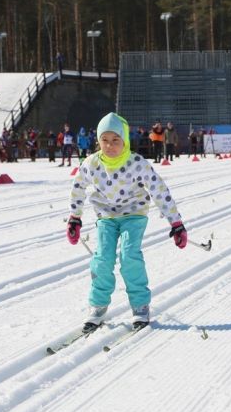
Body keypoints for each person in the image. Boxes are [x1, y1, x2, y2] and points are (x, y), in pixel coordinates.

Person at [66, 112, 186, 332]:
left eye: (115, 141)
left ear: (125, 141)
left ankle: (140, 304)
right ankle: (98, 305)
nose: (110, 146)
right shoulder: (91, 163)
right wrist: (75, 217)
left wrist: (176, 223)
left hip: (134, 213)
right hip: (106, 215)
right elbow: (78, 188)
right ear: (98, 141)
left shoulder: (137, 163)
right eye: (105, 140)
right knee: (102, 258)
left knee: (129, 254)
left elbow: (159, 190)